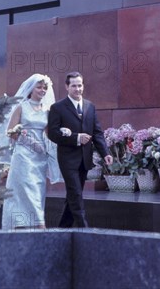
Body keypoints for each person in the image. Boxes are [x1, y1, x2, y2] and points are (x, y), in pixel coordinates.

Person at [0, 73, 62, 230]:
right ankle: (40, 225)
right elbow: (10, 132)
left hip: (40, 157)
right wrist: (25, 138)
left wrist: (63, 134)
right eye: (39, 87)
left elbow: (49, 134)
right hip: (23, 156)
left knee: (38, 191)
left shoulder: (47, 111)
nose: (42, 90)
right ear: (31, 88)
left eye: (45, 88)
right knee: (27, 191)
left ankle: (30, 225)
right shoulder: (21, 107)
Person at [47, 71, 113, 228]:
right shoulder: (57, 108)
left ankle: (62, 229)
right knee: (76, 194)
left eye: (80, 85)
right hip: (67, 160)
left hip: (85, 159)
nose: (77, 89)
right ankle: (85, 229)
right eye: (74, 86)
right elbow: (53, 134)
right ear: (67, 87)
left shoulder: (90, 106)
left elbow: (97, 132)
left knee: (73, 195)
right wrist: (76, 138)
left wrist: (105, 153)